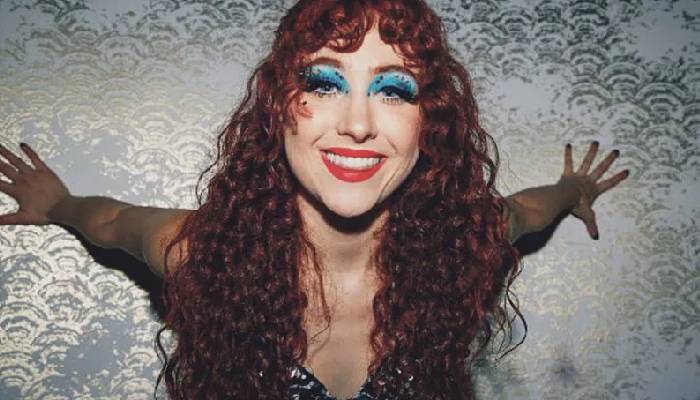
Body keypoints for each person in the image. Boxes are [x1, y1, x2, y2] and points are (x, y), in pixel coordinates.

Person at [0, 0, 629, 399]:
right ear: (279, 109)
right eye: (324, 82)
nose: (356, 123)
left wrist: (574, 190)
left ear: (429, 122)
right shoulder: (204, 257)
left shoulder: (465, 245)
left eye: (393, 90)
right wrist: (57, 204)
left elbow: (530, 209)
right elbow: (112, 221)